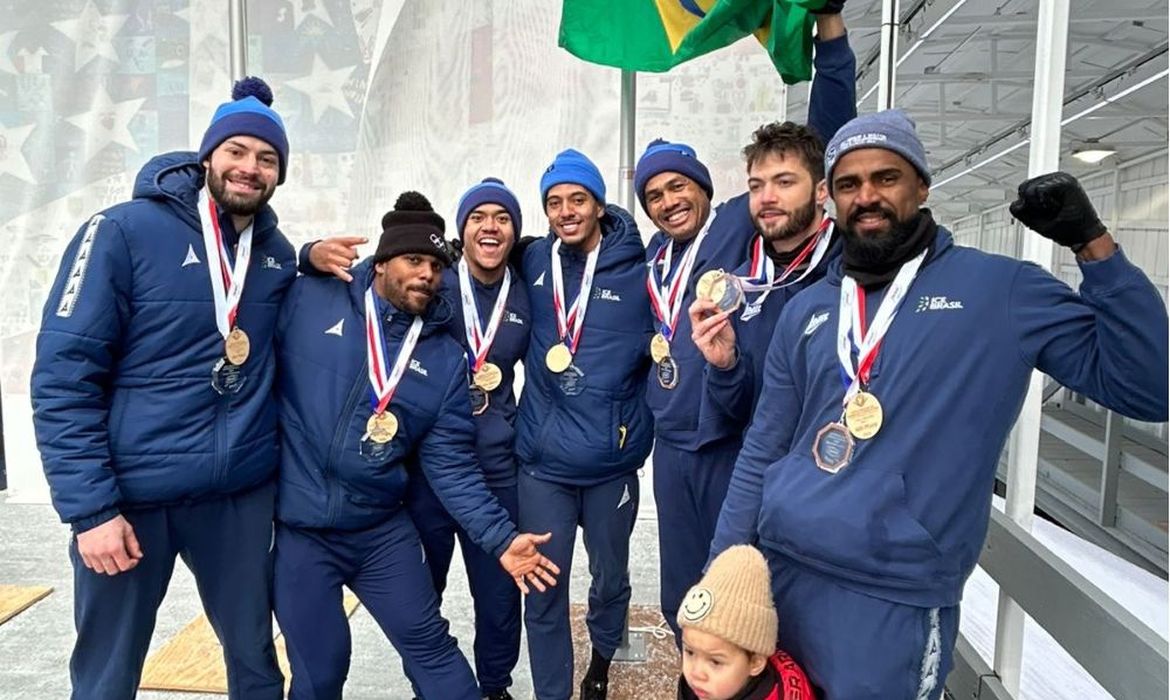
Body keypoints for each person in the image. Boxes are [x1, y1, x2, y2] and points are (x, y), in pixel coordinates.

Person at [709, 109, 1170, 699]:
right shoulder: (808, 309)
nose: (866, 196)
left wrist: (1093, 246)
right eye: (849, 184)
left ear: (922, 186)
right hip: (784, 576)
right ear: (831, 198)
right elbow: (764, 447)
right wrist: (722, 573)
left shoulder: (1000, 291)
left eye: (886, 178)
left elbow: (1147, 386)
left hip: (893, 597)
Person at [31, 77, 295, 700]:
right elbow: (64, 378)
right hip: (132, 500)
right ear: (207, 157)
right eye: (236, 151)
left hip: (235, 500)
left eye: (267, 158)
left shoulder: (276, 254)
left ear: (280, 174)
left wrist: (310, 257)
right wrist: (91, 511)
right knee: (107, 673)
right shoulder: (121, 231)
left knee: (256, 662)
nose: (249, 168)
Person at [272, 192, 558, 700]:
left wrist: (500, 539)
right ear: (381, 263)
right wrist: (307, 252)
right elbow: (252, 287)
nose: (427, 273)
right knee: (320, 672)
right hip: (303, 532)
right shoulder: (311, 298)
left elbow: (452, 465)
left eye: (435, 265)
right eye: (413, 260)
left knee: (438, 660)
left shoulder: (444, 358)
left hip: (380, 531)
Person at [637, 4, 856, 642]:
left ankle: (759, 675)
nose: (670, 201)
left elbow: (824, 140)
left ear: (705, 189)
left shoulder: (739, 221)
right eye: (654, 195)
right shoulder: (650, 254)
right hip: (677, 445)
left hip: (745, 443)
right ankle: (693, 674)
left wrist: (831, 33)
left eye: (679, 187)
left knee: (748, 590)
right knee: (684, 594)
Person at [515, 149, 655, 700]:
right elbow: (478, 262)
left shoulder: (640, 271)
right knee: (542, 589)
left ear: (599, 205)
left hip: (608, 465)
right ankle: (552, 693)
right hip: (543, 467)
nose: (566, 211)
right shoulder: (534, 261)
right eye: (554, 202)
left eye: (577, 199)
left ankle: (600, 663)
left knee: (610, 578)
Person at [403, 178, 530, 700]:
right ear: (462, 229)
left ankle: (494, 687)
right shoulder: (434, 280)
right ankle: (429, 687)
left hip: (496, 468)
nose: (490, 227)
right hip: (428, 472)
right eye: (478, 217)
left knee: (500, 597)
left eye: (502, 217)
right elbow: (376, 277)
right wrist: (311, 253)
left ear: (515, 231)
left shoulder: (528, 286)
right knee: (420, 596)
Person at [689, 121, 842, 448]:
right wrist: (726, 366)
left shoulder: (857, 275)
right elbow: (736, 415)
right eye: (756, 186)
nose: (767, 198)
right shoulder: (740, 286)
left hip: (836, 466)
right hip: (763, 466)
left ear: (821, 191)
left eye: (784, 182)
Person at [675, 546, 813, 700]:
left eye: (715, 662)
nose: (696, 673)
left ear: (755, 663)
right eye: (690, 652)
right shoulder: (712, 686)